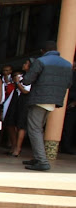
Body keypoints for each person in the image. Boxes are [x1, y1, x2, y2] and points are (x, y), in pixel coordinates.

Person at [21, 41, 73, 171]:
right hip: (54, 100)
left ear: (43, 50)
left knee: (35, 129)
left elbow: (27, 80)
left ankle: (42, 161)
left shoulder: (41, 61)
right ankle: (38, 157)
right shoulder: (67, 64)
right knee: (39, 129)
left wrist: (21, 78)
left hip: (39, 98)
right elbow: (69, 84)